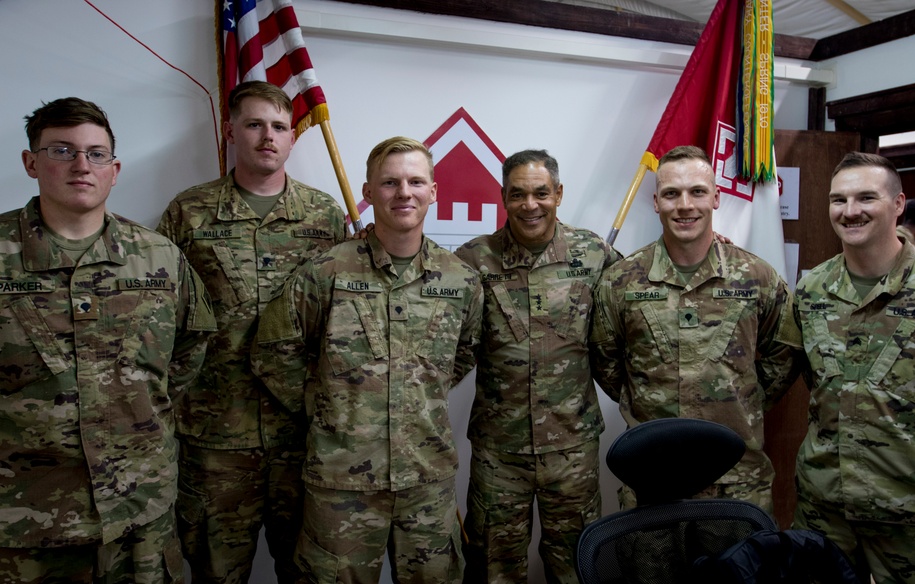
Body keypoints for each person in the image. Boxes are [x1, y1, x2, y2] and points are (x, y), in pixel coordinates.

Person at [0, 97, 215, 582]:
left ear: (114, 170)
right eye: (61, 150)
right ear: (30, 162)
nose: (81, 165)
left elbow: (189, 351)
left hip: (139, 513)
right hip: (23, 524)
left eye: (96, 154)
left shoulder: (161, 258)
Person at [252, 136, 483, 583]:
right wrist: (325, 406)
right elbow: (273, 351)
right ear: (369, 191)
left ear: (433, 191)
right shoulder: (327, 272)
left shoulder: (461, 280)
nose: (404, 193)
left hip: (426, 480)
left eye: (416, 181)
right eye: (390, 182)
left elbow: (464, 352)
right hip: (342, 483)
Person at [155, 80, 347, 583]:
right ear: (230, 130)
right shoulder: (189, 212)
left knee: (308, 567)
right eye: (255, 124)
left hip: (301, 432)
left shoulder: (324, 215)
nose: (268, 136)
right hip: (215, 435)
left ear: (291, 136)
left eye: (279, 127)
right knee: (217, 572)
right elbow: (157, 316)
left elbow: (345, 314)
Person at [787, 152, 915, 584]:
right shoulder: (811, 289)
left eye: (866, 197)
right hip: (826, 509)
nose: (850, 211)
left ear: (898, 203)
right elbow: (820, 383)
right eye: (838, 199)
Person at [589, 145, 798, 513]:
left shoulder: (756, 277)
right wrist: (644, 396)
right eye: (672, 193)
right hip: (652, 477)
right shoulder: (620, 282)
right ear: (656, 202)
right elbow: (605, 358)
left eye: (697, 191)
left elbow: (785, 349)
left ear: (716, 198)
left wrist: (743, 399)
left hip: (736, 480)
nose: (685, 205)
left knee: (737, 572)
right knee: (651, 572)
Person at [454, 150, 617, 583]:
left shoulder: (593, 253)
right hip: (499, 452)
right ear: (503, 197)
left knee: (577, 565)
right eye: (518, 194)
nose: (531, 205)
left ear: (559, 194)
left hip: (572, 448)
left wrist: (714, 242)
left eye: (541, 193)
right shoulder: (473, 260)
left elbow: (641, 290)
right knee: (493, 567)